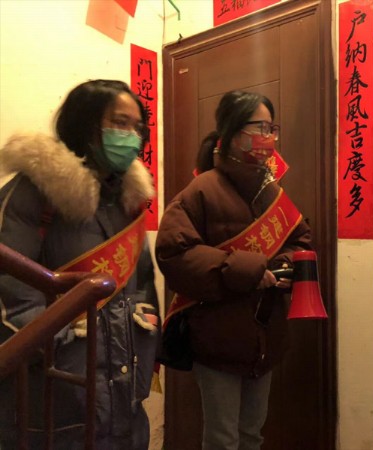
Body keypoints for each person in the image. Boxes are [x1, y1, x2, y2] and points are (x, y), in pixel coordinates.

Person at [0, 79, 160, 449]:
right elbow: (12, 296)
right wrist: (65, 349)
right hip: (52, 402)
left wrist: (147, 331)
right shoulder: (32, 193)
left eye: (137, 127)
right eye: (119, 123)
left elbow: (142, 284)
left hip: (124, 398)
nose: (131, 136)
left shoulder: (127, 199)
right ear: (86, 125)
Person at [155, 90, 312, 450]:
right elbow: (174, 254)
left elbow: (301, 240)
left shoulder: (271, 191)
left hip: (266, 338)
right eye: (259, 127)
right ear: (233, 133)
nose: (268, 137)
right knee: (223, 440)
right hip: (218, 340)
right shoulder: (201, 190)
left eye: (271, 128)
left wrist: (282, 267)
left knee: (252, 436)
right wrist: (250, 269)